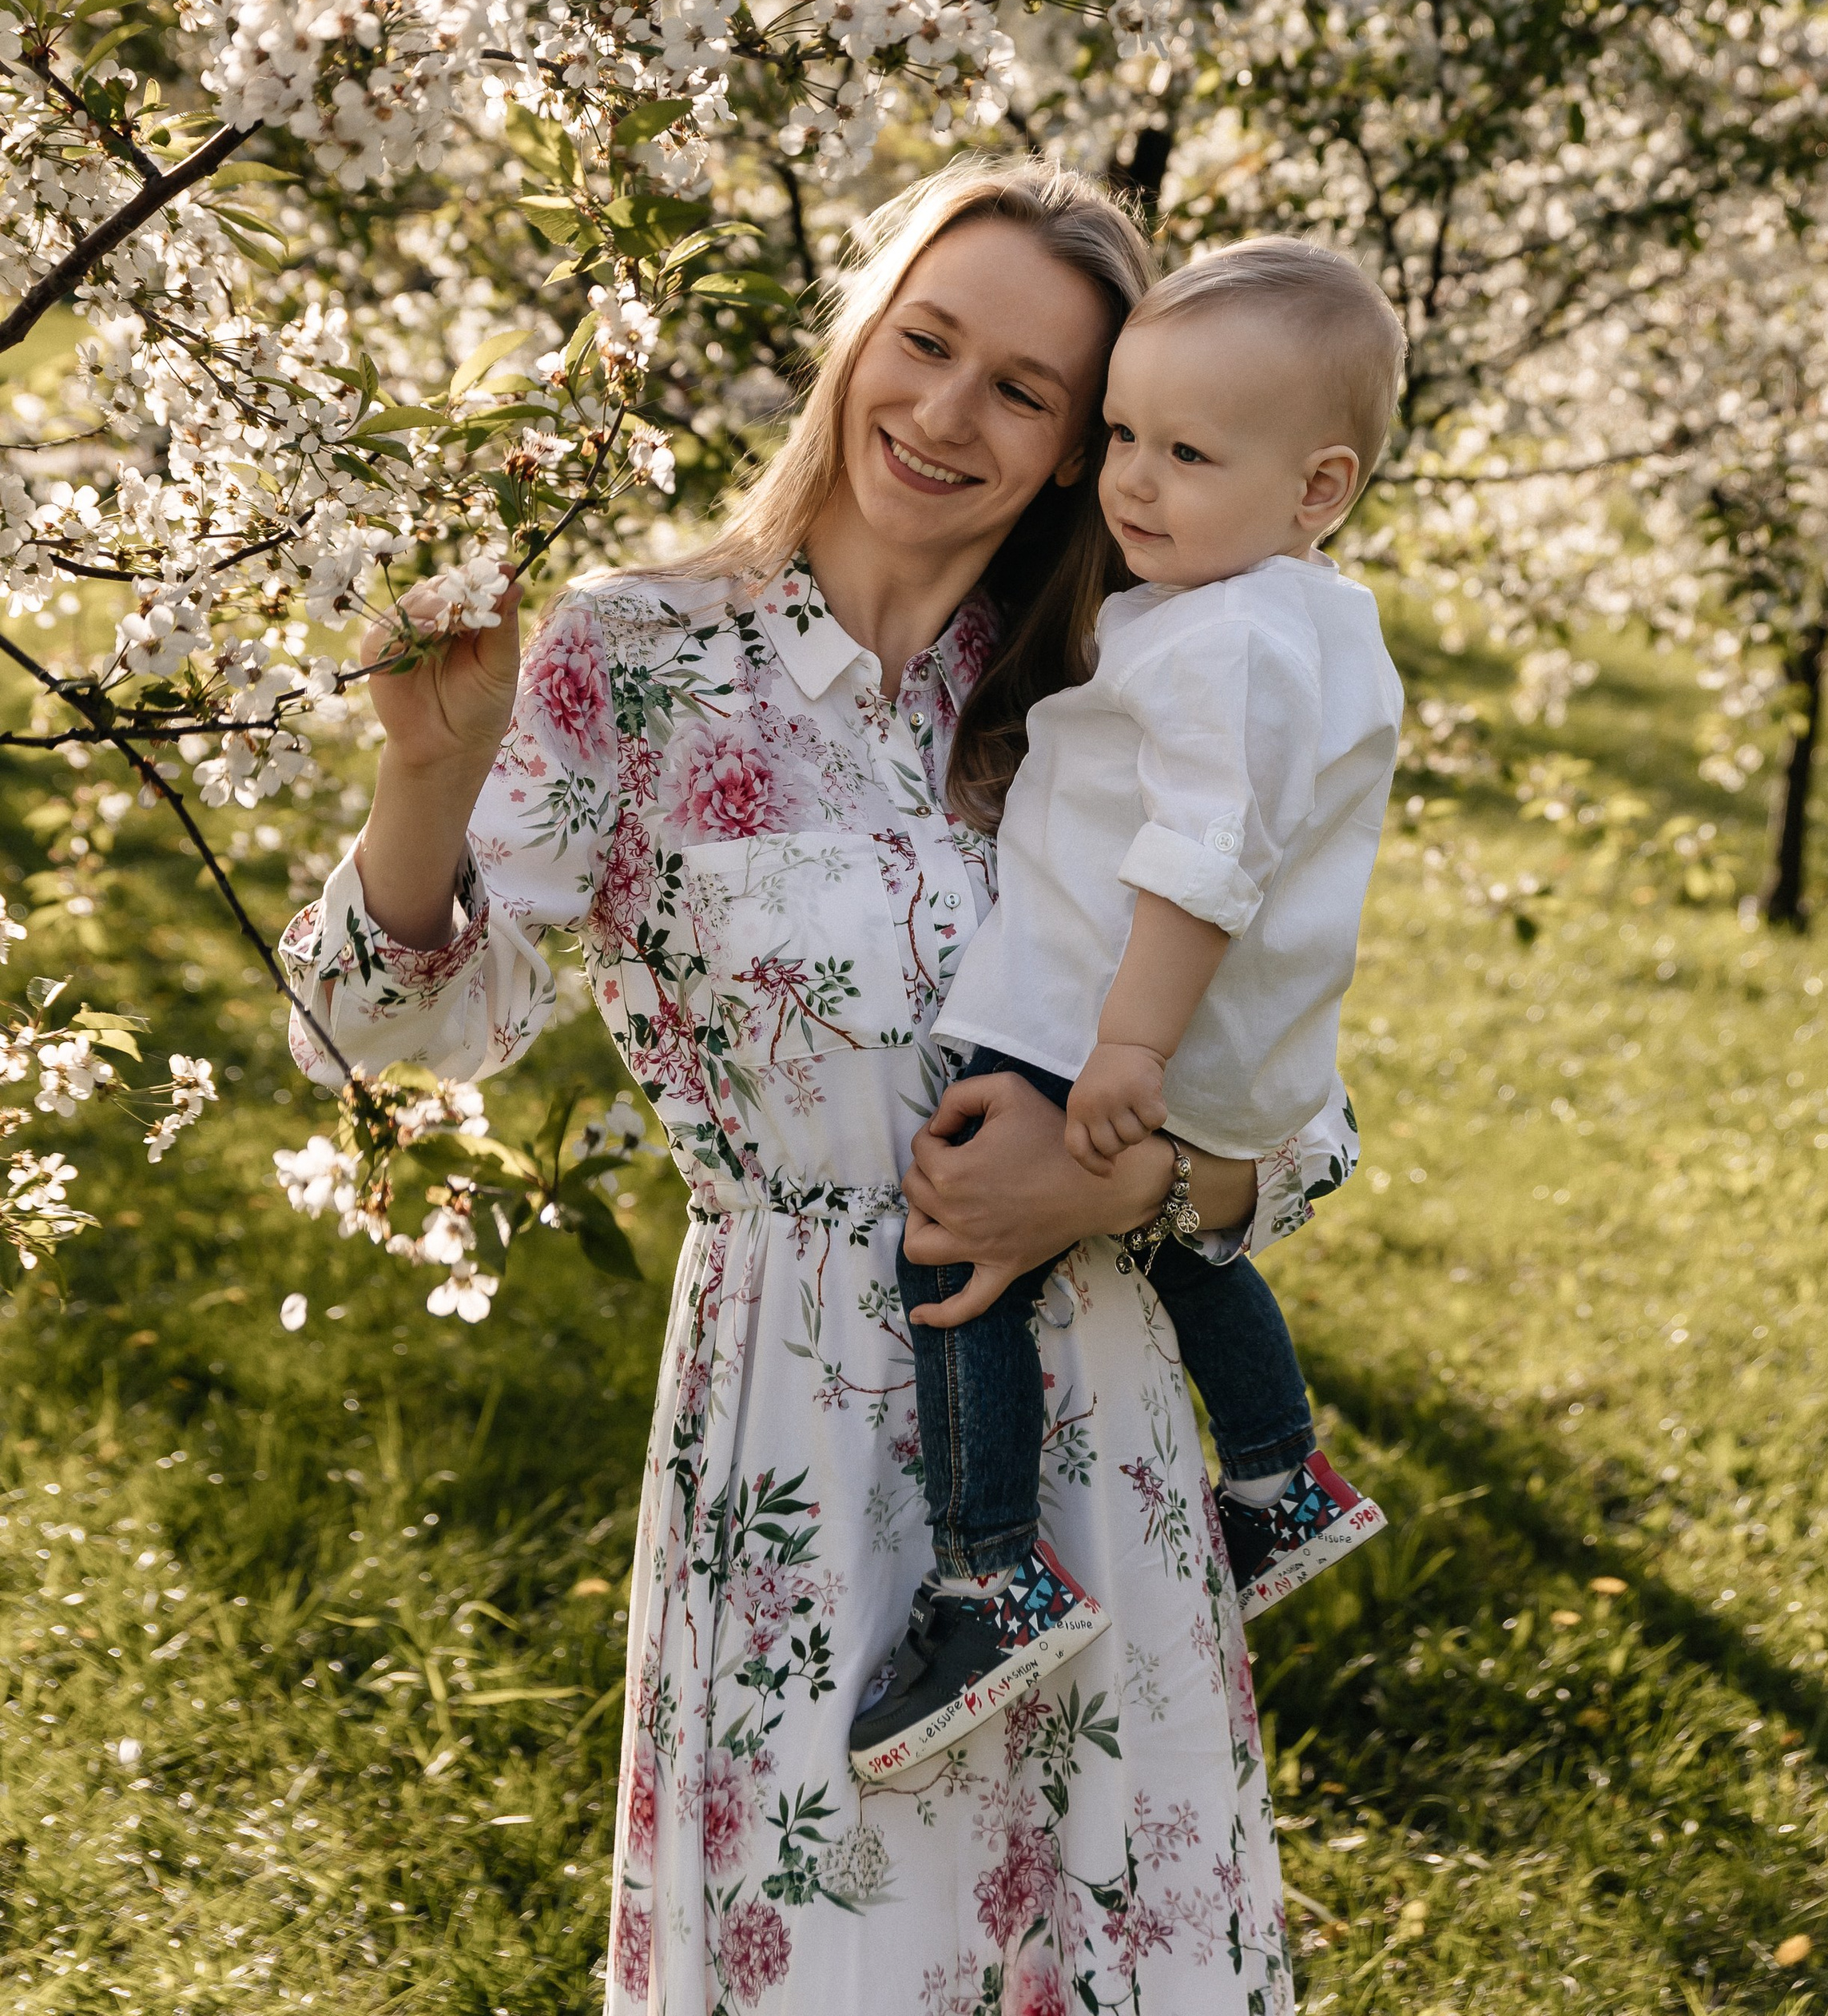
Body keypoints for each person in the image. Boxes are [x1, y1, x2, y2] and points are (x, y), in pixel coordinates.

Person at [279, 157, 1361, 2016]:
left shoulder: (1130, 679)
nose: (946, 413)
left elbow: (1299, 1114)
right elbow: (378, 1031)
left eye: (1023, 392)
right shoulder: (642, 654)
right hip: (800, 1427)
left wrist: (1108, 1188)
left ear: (1077, 445)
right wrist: (427, 784)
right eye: (922, 342)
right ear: (857, 338)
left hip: (1096, 1439)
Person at [851, 242, 1405, 1784]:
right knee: (1178, 1246)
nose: (1135, 486)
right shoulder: (1313, 620)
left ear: (1318, 488)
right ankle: (1284, 1474)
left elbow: (1204, 858)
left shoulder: (1224, 637)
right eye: (1124, 439)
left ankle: (991, 1567)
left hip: (1102, 1006)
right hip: (1229, 1051)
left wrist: (1131, 1051)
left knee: (959, 1233)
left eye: (1186, 453)